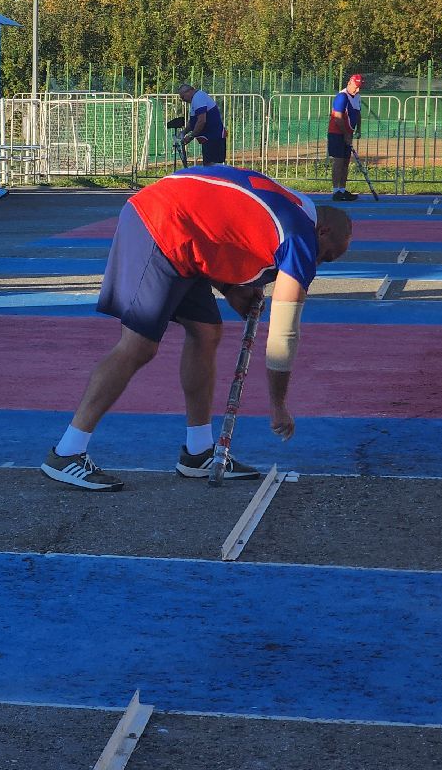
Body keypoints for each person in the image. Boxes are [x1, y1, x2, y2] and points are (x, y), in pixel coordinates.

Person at [41, 164, 352, 491]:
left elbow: (215, 223)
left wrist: (231, 289)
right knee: (138, 345)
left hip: (180, 226)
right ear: (323, 232)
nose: (316, 266)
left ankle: (198, 451)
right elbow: (283, 334)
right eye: (325, 257)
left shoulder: (299, 207)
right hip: (159, 223)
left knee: (206, 332)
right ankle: (67, 451)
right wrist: (278, 405)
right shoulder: (301, 236)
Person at [328, 73, 364, 202]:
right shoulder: (342, 97)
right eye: (356, 86)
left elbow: (358, 113)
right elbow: (337, 117)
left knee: (345, 163)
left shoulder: (357, 97)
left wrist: (358, 129)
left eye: (360, 87)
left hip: (348, 133)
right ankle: (336, 191)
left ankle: (342, 189)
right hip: (337, 134)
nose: (358, 89)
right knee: (338, 162)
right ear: (350, 82)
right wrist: (346, 134)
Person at [176, 84, 226, 165]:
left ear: (189, 91)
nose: (183, 100)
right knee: (209, 165)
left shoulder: (198, 98)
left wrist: (191, 136)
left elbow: (201, 121)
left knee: (212, 167)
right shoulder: (195, 100)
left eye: (182, 97)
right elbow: (193, 121)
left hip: (213, 137)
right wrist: (184, 132)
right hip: (209, 138)